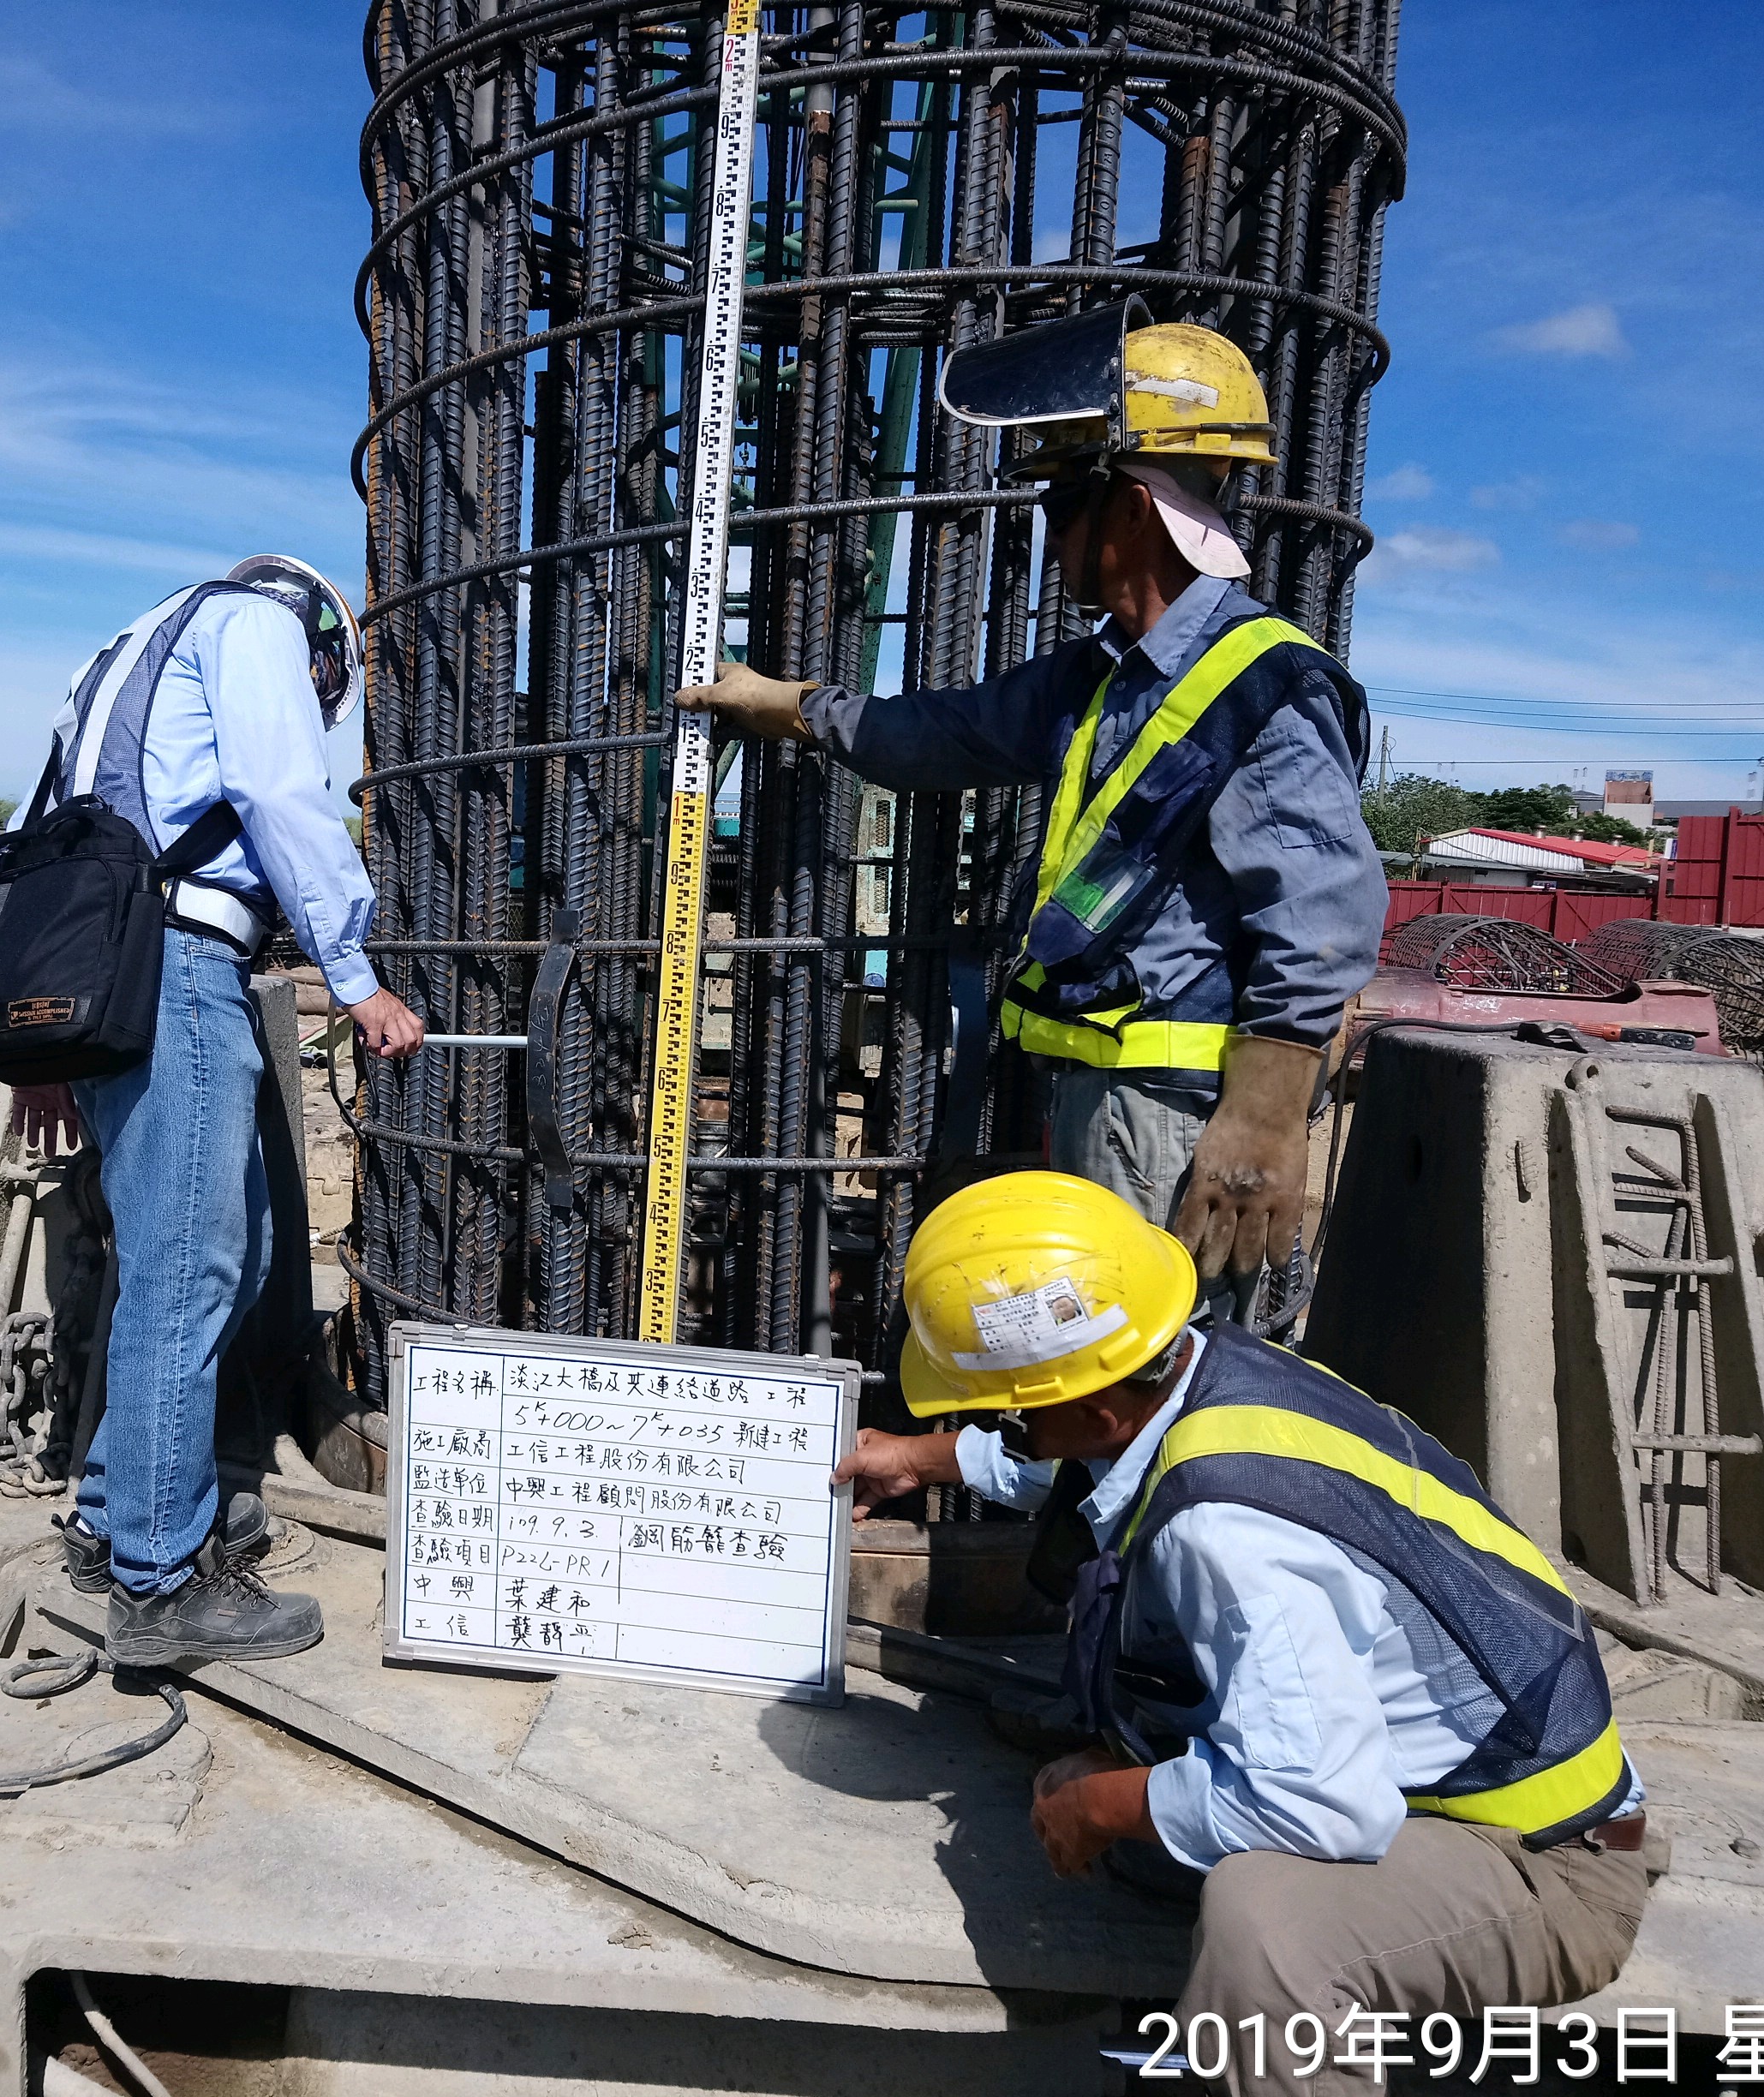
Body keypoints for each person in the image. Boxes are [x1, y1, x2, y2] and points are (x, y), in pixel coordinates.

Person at [833, 1173, 1649, 2092]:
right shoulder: (1199, 1369)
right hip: (1462, 1787)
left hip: (1549, 1865)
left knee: (1266, 1928)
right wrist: (925, 1458)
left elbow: (1316, 1806)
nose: (1007, 1424)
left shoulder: (1228, 1539)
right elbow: (1098, 1455)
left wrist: (1102, 1803)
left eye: (1014, 1407)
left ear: (1096, 1407)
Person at [673, 305, 1386, 1305]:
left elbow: (1322, 915)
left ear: (1130, 509)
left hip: (1178, 1116)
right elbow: (935, 736)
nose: (1049, 530)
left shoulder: (1262, 683)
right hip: (1091, 1092)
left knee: (1148, 1368)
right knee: (1082, 1356)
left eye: (1060, 499)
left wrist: (1264, 1119)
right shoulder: (1106, 676)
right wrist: (788, 706)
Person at [9, 557, 422, 1666]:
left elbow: (31, 842)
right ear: (321, 643)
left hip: (99, 971)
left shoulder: (114, 662)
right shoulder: (252, 628)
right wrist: (353, 973)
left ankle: (114, 1517)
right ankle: (158, 1584)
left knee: (214, 1262)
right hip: (178, 970)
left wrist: (35, 1044)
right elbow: (284, 791)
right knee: (189, 1272)